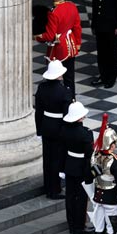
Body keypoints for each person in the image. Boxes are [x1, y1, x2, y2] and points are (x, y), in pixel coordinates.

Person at [34, 0, 82, 97]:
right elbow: (77, 28)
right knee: (69, 77)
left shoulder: (53, 13)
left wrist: (37, 37)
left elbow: (50, 35)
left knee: (54, 76)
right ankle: (71, 100)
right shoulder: (72, 6)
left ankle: (55, 99)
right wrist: (78, 44)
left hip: (58, 49)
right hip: (71, 46)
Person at [35, 60, 73, 199]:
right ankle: (54, 189)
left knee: (47, 157)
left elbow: (38, 111)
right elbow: (66, 114)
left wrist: (39, 129)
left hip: (46, 125)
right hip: (58, 128)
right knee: (56, 159)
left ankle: (47, 186)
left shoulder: (41, 88)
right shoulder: (65, 92)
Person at [91, 114, 117, 234]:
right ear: (111, 145)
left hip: (98, 196)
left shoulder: (95, 156)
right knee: (111, 228)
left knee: (99, 226)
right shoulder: (115, 161)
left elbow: (90, 175)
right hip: (111, 199)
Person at [61, 101, 95, 234]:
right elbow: (89, 154)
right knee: (81, 198)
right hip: (81, 167)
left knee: (70, 196)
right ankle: (79, 226)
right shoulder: (85, 133)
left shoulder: (64, 130)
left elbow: (63, 149)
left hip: (69, 164)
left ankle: (71, 223)